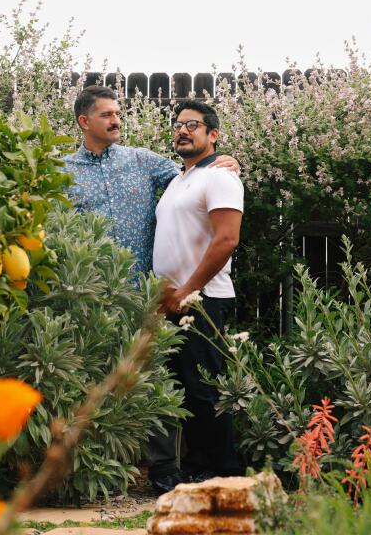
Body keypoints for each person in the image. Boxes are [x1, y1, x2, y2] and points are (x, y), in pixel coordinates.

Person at [149, 99, 244, 493]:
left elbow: (227, 240)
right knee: (182, 387)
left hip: (202, 299)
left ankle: (224, 472)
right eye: (178, 125)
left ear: (213, 135)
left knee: (205, 387)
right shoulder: (178, 179)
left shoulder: (220, 177)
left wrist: (188, 290)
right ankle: (196, 468)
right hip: (172, 300)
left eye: (193, 124)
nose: (183, 131)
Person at [62, 85, 239, 275]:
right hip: (88, 289)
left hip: (142, 291)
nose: (116, 121)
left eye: (117, 114)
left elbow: (193, 176)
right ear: (84, 122)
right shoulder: (63, 171)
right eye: (107, 115)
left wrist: (226, 161)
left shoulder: (143, 161)